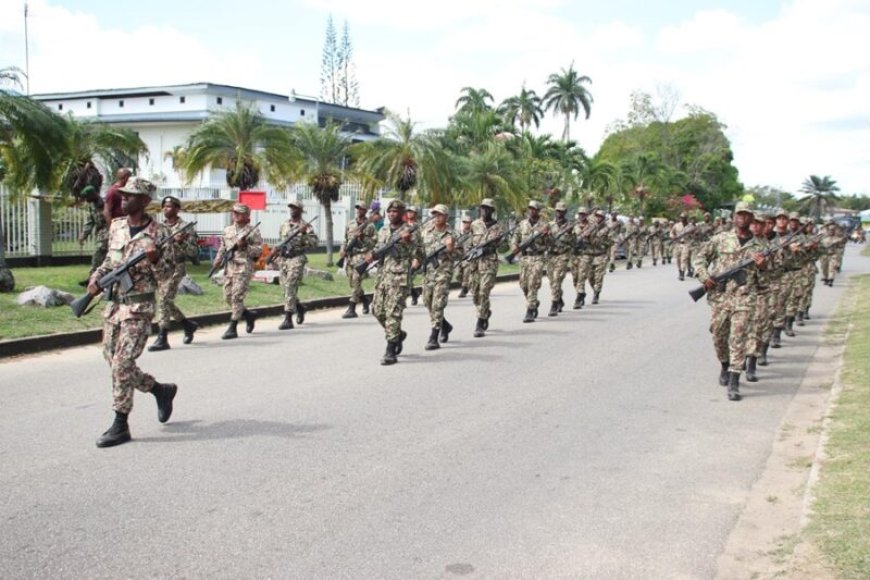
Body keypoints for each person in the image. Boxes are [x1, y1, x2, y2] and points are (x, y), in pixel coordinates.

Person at [86, 177, 178, 448]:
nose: (123, 198)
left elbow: (167, 275)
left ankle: (120, 423)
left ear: (145, 201)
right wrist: (96, 277)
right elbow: (108, 261)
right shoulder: (116, 227)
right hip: (114, 306)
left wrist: (155, 259)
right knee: (113, 361)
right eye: (123, 194)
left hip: (139, 308)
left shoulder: (159, 233)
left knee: (122, 363)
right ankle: (160, 390)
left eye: (130, 195)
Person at [693, 201, 766, 401]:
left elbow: (766, 281)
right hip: (720, 298)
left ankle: (734, 380)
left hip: (744, 298)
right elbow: (700, 258)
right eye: (739, 214)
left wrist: (763, 267)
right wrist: (704, 277)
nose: (743, 217)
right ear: (734, 217)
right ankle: (725, 365)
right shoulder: (720, 239)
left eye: (747, 215)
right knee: (718, 335)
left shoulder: (761, 246)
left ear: (752, 218)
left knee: (738, 338)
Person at [366, 198, 423, 365]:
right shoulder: (383, 229)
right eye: (389, 211)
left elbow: (420, 254)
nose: (392, 214)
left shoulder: (410, 230)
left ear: (402, 214)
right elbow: (377, 249)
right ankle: (398, 334)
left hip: (399, 278)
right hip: (383, 276)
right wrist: (371, 255)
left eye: (395, 211)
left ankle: (390, 349)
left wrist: (408, 241)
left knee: (393, 313)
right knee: (377, 311)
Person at [148, 196, 200, 351]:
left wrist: (181, 241)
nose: (166, 209)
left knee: (163, 300)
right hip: (160, 267)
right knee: (167, 301)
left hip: (176, 267)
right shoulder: (158, 226)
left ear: (177, 209)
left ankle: (162, 337)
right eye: (164, 206)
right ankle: (187, 325)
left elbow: (194, 252)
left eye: (170, 206)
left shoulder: (186, 227)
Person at [214, 204, 263, 339]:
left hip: (243, 267)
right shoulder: (228, 230)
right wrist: (218, 260)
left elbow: (259, 251)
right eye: (234, 212)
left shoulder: (253, 231)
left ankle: (232, 327)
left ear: (246, 216)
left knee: (237, 296)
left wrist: (246, 246)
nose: (235, 214)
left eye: (239, 213)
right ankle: (248, 315)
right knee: (227, 296)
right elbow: (223, 247)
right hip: (229, 267)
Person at [275, 200, 318, 330]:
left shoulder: (306, 226)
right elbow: (280, 241)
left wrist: (304, 233)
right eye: (291, 208)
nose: (292, 210)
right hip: (284, 259)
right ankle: (300, 308)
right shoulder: (284, 225)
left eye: (295, 208)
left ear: (300, 210)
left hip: (297, 258)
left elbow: (314, 243)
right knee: (285, 288)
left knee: (290, 285)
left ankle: (288, 318)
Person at [421, 204, 456, 349]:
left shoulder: (452, 234)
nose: (437, 217)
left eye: (440, 214)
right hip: (428, 272)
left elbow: (462, 255)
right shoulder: (426, 231)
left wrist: (450, 249)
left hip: (443, 272)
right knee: (427, 301)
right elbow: (420, 249)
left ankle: (434, 336)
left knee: (438, 303)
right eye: (435, 214)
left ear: (446, 216)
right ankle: (445, 325)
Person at [468, 198, 504, 337]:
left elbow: (503, 247)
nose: (484, 210)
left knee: (484, 291)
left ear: (492, 210)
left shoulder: (499, 227)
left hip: (489, 262)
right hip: (475, 263)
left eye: (487, 208)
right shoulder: (475, 224)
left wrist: (500, 241)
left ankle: (480, 321)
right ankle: (485, 311)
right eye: (482, 207)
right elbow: (469, 242)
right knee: (475, 293)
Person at [510, 200, 550, 323]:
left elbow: (550, 243)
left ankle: (530, 310)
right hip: (524, 257)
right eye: (530, 209)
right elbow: (514, 239)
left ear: (538, 211)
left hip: (538, 257)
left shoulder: (544, 225)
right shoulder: (522, 224)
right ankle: (533, 301)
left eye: (534, 209)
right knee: (524, 285)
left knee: (533, 283)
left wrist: (545, 235)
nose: (532, 211)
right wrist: (514, 249)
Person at [339, 202, 377, 318]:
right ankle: (365, 299)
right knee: (353, 282)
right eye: (358, 208)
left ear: (365, 211)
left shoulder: (370, 226)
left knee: (356, 279)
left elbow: (374, 242)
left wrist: (363, 238)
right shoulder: (350, 223)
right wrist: (342, 250)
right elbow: (345, 239)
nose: (359, 210)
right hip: (350, 256)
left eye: (362, 209)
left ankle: (351, 307)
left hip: (361, 256)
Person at [76, 184, 109, 286]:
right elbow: (90, 221)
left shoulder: (105, 203)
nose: (86, 200)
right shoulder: (92, 205)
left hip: (108, 231)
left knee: (98, 254)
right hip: (100, 233)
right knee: (101, 256)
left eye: (87, 197)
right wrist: (83, 235)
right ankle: (95, 278)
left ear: (92, 195)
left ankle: (93, 278)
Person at [546, 201, 574, 316]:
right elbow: (545, 240)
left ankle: (554, 304)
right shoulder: (550, 225)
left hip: (563, 255)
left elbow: (573, 242)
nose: (559, 213)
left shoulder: (569, 226)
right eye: (557, 211)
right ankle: (559, 299)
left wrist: (569, 234)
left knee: (557, 279)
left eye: (561, 211)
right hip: (551, 255)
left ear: (565, 212)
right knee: (552, 281)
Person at [405, 206, 423, 306]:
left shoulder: (420, 226)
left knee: (409, 276)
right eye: (408, 212)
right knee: (405, 277)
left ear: (416, 214)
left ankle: (413, 294)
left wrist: (418, 258)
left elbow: (423, 242)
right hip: (404, 255)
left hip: (415, 255)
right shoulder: (403, 225)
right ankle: (414, 293)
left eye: (412, 212)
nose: (409, 214)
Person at [455, 216, 474, 297]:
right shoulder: (459, 233)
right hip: (459, 257)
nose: (465, 224)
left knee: (466, 272)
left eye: (467, 222)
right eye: (464, 222)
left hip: (469, 257)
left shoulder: (473, 234)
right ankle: (467, 285)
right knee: (457, 275)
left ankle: (464, 289)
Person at [670, 213, 692, 280]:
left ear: (686, 218)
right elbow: (671, 233)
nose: (682, 219)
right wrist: (673, 237)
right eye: (681, 217)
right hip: (677, 244)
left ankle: (682, 273)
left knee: (684, 259)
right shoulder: (676, 225)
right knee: (678, 259)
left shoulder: (690, 226)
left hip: (686, 244)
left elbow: (694, 234)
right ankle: (680, 271)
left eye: (684, 218)